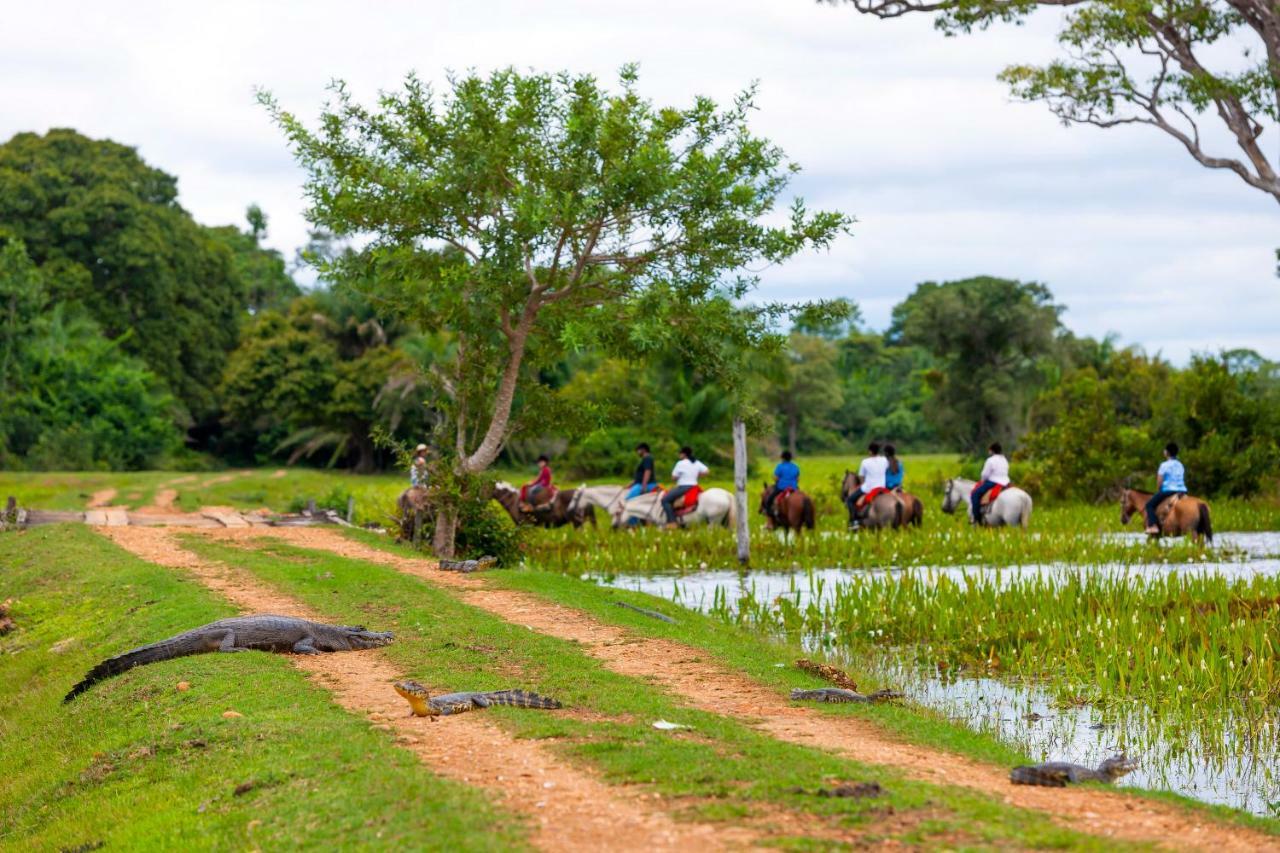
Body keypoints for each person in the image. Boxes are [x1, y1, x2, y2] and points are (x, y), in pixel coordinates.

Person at [1145, 442, 1187, 534]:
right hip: (1182, 491)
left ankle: (1153, 526)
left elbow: (1160, 481)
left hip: (1168, 490)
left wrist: (1159, 489)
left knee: (1149, 505)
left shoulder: (1164, 465)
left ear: (1166, 452)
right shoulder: (1180, 464)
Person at [662, 446, 708, 527]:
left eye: (680, 453)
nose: (679, 455)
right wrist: (697, 475)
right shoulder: (696, 462)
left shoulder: (680, 463)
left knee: (665, 500)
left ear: (684, 454)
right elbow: (707, 471)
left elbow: (673, 477)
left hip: (683, 487)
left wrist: (680, 476)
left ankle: (672, 522)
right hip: (694, 486)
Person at [846, 441, 888, 528]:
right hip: (882, 487)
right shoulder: (884, 460)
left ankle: (854, 521)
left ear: (870, 451)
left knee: (850, 500)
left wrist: (862, 484)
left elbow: (861, 477)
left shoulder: (865, 461)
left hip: (869, 488)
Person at [970, 442, 1011, 524]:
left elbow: (985, 474)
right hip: (1006, 482)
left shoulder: (990, 460)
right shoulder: (1004, 460)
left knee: (975, 495)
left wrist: (982, 480)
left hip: (994, 482)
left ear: (992, 451)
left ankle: (977, 518)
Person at [764, 451, 800, 517]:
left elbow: (776, 478)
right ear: (790, 458)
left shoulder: (780, 466)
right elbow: (798, 479)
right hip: (793, 488)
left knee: (769, 499)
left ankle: (770, 515)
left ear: (782, 458)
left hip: (781, 487)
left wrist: (778, 481)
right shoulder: (795, 467)